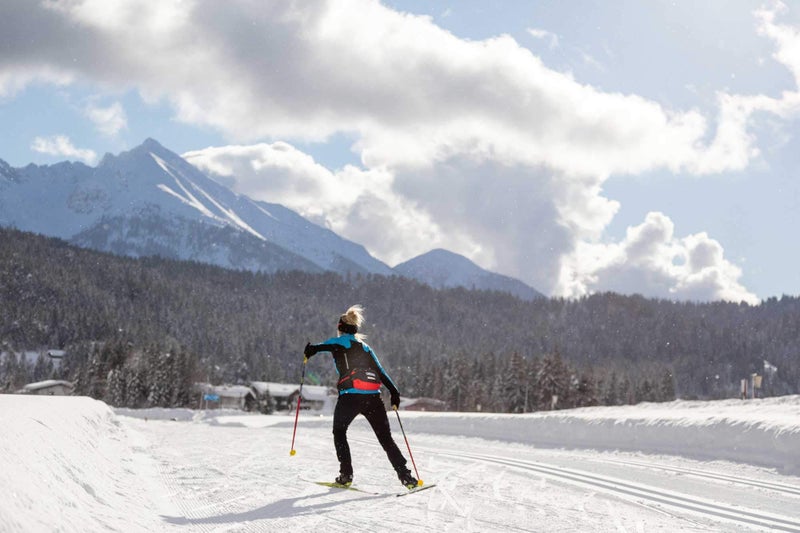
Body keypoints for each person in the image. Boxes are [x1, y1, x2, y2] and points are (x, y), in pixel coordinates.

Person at [304, 304, 419, 490]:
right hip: (373, 398)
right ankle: (407, 477)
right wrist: (394, 392)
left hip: (350, 397)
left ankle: (346, 475)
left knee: (339, 432)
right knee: (386, 439)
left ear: (340, 328)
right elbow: (380, 372)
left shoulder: (338, 342)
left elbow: (320, 347)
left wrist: (310, 350)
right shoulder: (366, 348)